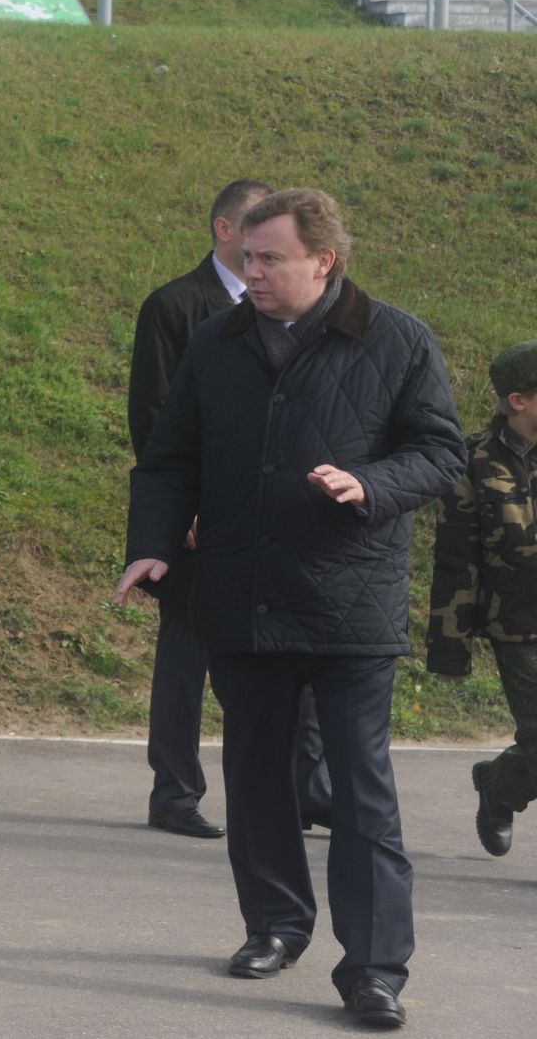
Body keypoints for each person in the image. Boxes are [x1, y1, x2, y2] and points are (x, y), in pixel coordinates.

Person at [117, 188, 464, 1029]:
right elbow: (169, 458)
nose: (250, 269)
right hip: (243, 596)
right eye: (247, 255)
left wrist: (370, 483)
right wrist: (154, 540)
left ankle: (376, 968)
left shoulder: (398, 338)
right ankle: (274, 925)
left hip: (349, 605)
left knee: (361, 789)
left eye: (270, 257)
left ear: (325, 261)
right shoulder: (216, 340)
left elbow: (440, 451)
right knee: (258, 775)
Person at [127, 178, 328, 839]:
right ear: (225, 230)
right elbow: (156, 419)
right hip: (198, 522)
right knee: (186, 654)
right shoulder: (177, 306)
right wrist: (179, 510)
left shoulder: (293, 314)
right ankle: (174, 791)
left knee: (292, 651)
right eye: (255, 238)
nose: (263, 256)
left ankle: (309, 788)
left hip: (273, 520)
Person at [426, 339, 537, 859]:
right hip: (518, 625)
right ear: (519, 400)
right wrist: (450, 646)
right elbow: (456, 560)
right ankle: (498, 787)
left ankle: (497, 781)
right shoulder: (473, 462)